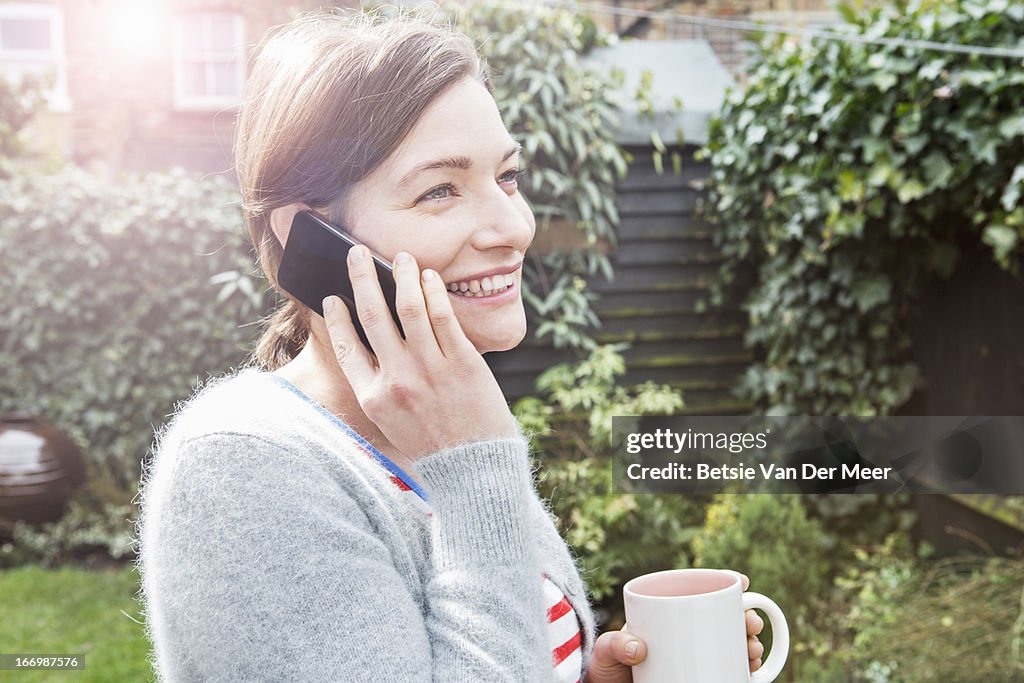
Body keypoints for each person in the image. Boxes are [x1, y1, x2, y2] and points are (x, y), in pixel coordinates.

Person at [134, 9, 765, 682]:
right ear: (309, 240)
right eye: (440, 189)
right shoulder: (241, 469)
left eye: (509, 175)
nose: (514, 225)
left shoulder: (432, 425)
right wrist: (475, 467)